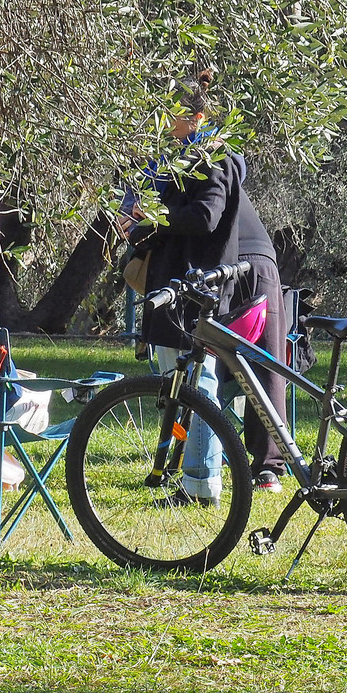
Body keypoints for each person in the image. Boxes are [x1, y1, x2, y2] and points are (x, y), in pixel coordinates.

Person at [122, 72, 243, 506]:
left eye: (169, 115)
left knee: (199, 384)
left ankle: (202, 484)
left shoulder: (216, 158)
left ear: (196, 117)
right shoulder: (177, 158)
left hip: (196, 287)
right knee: (179, 382)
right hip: (173, 285)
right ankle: (186, 478)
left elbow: (206, 217)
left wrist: (154, 216)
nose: (163, 124)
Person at [234, 187, 289, 494]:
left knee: (265, 364)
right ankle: (267, 467)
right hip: (253, 260)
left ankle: (269, 466)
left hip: (242, 262)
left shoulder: (200, 164)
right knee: (266, 363)